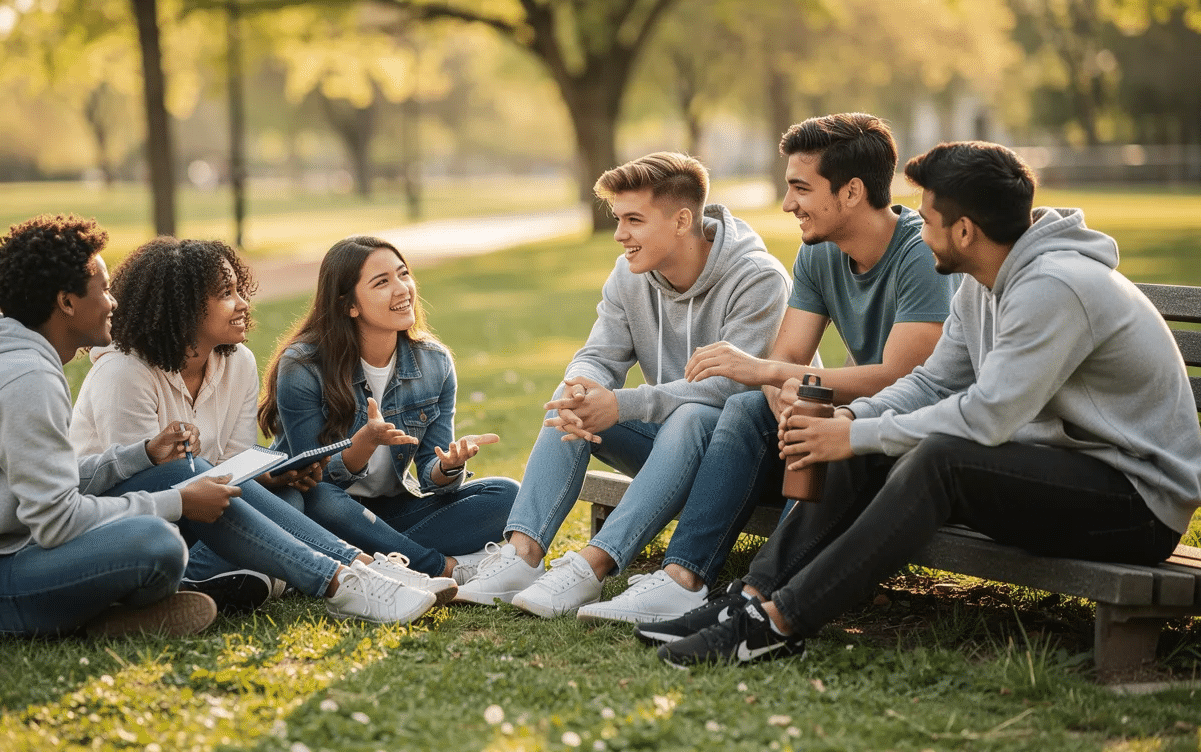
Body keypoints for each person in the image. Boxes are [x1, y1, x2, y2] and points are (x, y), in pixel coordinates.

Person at [649, 141, 1201, 667]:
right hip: (1057, 472)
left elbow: (987, 416)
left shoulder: (1056, 287)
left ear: (964, 230)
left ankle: (778, 625)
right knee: (866, 441)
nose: (918, 228)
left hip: (1136, 501)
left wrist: (857, 433)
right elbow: (934, 384)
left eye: (927, 218)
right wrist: (851, 422)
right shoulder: (978, 281)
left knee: (939, 458)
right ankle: (753, 597)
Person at [585, 114, 956, 627]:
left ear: (851, 192)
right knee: (748, 403)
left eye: (801, 188)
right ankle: (683, 580)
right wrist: (777, 386)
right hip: (850, 419)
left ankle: (762, 592)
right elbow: (786, 365)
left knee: (761, 396)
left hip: (912, 432)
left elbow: (901, 377)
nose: (788, 204)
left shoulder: (918, 254)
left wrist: (770, 376)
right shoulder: (818, 254)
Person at [454, 152, 793, 617]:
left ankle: (592, 567)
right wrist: (584, 387)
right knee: (570, 403)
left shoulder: (758, 278)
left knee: (694, 413)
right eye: (618, 219)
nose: (620, 235)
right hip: (674, 445)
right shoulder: (629, 274)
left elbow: (733, 392)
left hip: (750, 459)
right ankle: (523, 555)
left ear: (681, 220)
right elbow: (598, 355)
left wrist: (624, 403)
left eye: (634, 220)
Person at [0, 214, 230, 639]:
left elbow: (51, 482)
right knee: (157, 543)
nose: (114, 301)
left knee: (173, 473)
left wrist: (142, 457)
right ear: (67, 302)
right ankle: (100, 617)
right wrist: (177, 503)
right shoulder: (26, 378)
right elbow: (58, 520)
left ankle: (103, 613)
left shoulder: (17, 360)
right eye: (104, 288)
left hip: (1, 550)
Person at [70, 237, 460, 614]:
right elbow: (153, 483)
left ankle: (226, 579)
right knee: (204, 479)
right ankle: (353, 573)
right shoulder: (124, 373)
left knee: (290, 499)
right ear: (183, 308)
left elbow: (234, 464)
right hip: (136, 526)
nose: (243, 304)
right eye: (227, 294)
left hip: (210, 516)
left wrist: (270, 478)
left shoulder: (236, 362)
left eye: (240, 290)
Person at [259, 235, 519, 586]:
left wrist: (448, 466)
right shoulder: (304, 366)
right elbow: (309, 476)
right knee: (318, 498)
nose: (402, 289)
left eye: (403, 274)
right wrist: (363, 444)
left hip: (393, 511)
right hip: (324, 511)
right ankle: (442, 568)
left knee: (506, 494)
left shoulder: (434, 362)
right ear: (349, 305)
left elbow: (430, 476)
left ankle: (375, 558)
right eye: (382, 283)